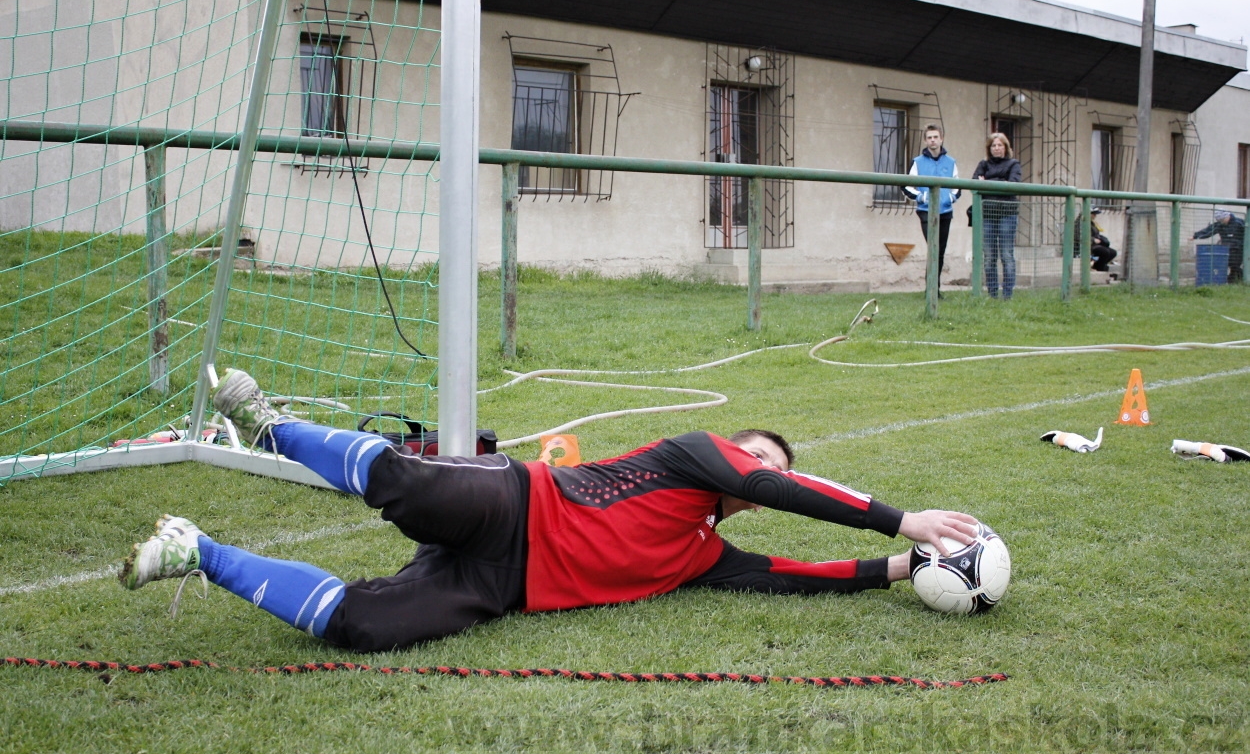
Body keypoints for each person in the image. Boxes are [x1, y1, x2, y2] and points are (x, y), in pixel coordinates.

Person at [119, 369, 982, 653]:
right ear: (732, 449)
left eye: (773, 468)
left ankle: (198, 550)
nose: (763, 472)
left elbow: (790, 574)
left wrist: (894, 570)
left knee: (359, 628)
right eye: (759, 455)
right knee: (404, 484)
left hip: (499, 587)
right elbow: (778, 491)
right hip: (513, 500)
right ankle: (272, 423)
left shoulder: (704, 555)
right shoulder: (692, 452)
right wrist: (901, 520)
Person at [903, 125, 961, 295]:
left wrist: (950, 198)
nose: (933, 140)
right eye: (929, 137)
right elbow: (905, 185)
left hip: (945, 212)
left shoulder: (951, 162)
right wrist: (921, 197)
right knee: (933, 247)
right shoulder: (918, 162)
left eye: (935, 137)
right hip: (926, 211)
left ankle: (934, 289)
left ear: (941, 139)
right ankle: (931, 290)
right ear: (925, 140)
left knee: (940, 251)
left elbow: (957, 186)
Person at [972, 133, 1023, 300]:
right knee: (989, 256)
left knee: (1006, 255)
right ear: (989, 148)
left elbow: (1013, 184)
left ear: (1006, 147)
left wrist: (986, 182)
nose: (996, 148)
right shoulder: (983, 164)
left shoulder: (1013, 164)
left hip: (1007, 214)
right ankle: (992, 294)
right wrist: (1000, 182)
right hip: (987, 214)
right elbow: (974, 183)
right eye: (993, 145)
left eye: (1000, 145)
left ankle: (1007, 295)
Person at [1192, 209, 1245, 282]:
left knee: (1234, 266)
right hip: (1226, 249)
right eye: (1219, 220)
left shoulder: (1240, 223)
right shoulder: (1220, 225)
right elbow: (1209, 231)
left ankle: (1237, 280)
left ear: (1227, 216)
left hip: (1238, 249)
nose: (1222, 221)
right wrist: (1196, 236)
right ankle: (1234, 280)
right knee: (1229, 266)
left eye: (1222, 219)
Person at [1074, 210, 1117, 274]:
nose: (1095, 216)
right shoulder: (1080, 223)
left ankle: (1099, 266)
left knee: (1113, 252)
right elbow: (1078, 236)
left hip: (1094, 244)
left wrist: (1101, 239)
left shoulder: (1091, 223)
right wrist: (1093, 240)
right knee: (1105, 252)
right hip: (1086, 245)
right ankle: (1100, 269)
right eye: (1093, 214)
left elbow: (1096, 234)